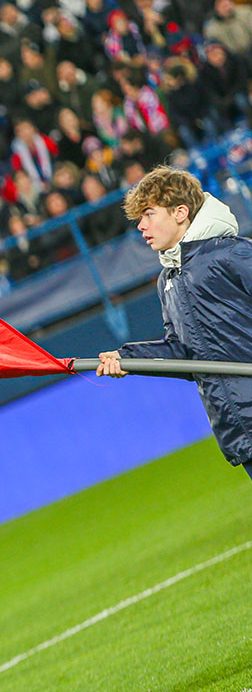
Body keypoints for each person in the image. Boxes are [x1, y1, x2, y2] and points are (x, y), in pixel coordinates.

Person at [97, 167, 252, 475]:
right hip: (240, 429)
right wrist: (128, 358)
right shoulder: (168, 279)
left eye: (149, 214)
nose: (141, 226)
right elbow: (185, 354)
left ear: (181, 212)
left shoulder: (233, 254)